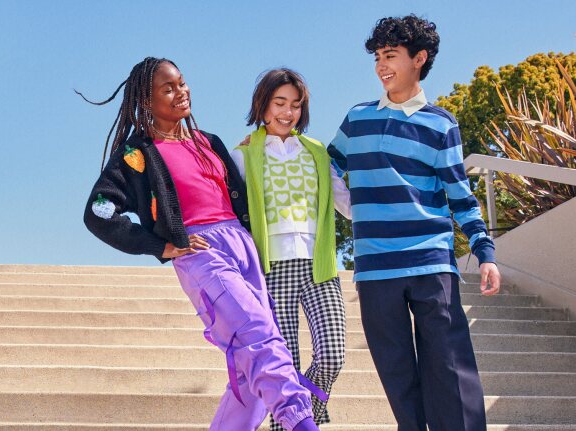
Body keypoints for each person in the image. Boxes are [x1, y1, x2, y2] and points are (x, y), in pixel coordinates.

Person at [81, 56, 324, 431]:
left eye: (181, 83)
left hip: (243, 247)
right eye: (168, 88)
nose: (181, 92)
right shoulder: (137, 155)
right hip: (200, 253)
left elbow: (243, 191)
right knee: (260, 336)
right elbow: (98, 212)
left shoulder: (209, 141)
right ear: (147, 101)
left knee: (248, 372)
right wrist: (161, 246)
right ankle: (300, 422)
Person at [326, 15, 502, 431]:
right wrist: (352, 207)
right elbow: (322, 166)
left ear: (418, 59)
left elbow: (460, 195)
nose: (381, 65)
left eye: (391, 55)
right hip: (375, 268)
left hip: (430, 264)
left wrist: (485, 253)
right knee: (397, 374)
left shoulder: (441, 124)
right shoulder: (358, 119)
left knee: (450, 370)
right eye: (377, 57)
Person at [231, 68, 351, 429]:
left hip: (319, 265)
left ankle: (306, 406)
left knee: (332, 354)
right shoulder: (243, 154)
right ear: (263, 106)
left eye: (296, 105)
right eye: (279, 102)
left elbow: (345, 202)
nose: (288, 112)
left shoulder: (316, 152)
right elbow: (233, 211)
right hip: (271, 270)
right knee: (283, 365)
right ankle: (289, 422)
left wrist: (390, 213)